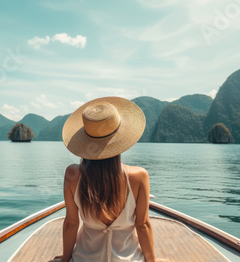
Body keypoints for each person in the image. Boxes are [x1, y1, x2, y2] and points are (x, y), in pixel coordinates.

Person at [51, 96, 161, 262]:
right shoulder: (139, 176)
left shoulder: (72, 175)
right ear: (121, 138)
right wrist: (152, 260)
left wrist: (65, 259)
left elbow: (71, 224)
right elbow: (142, 225)